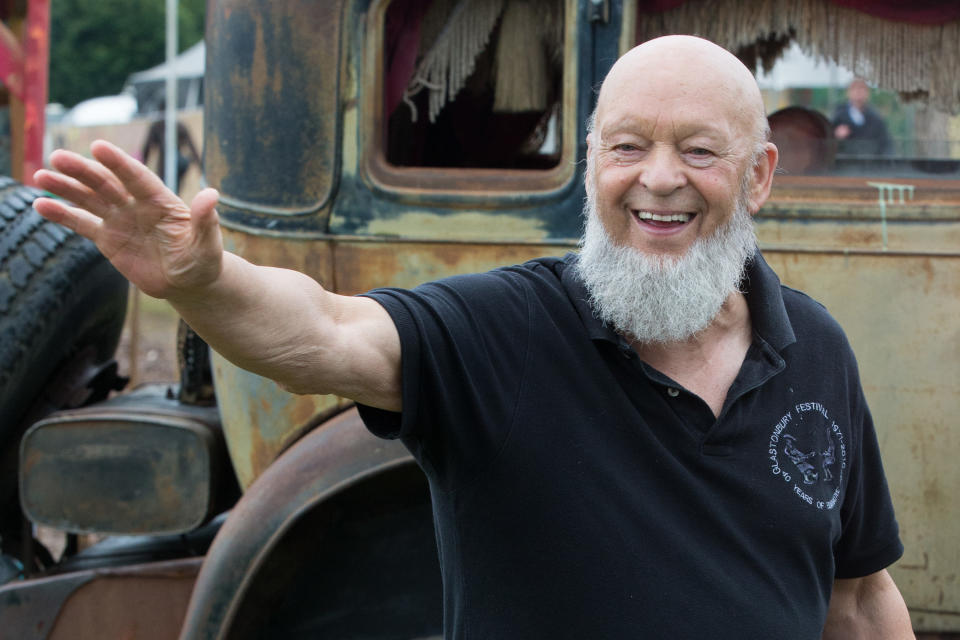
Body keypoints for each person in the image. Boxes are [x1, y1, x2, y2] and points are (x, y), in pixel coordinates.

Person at [33, 35, 912, 638]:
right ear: (592, 163)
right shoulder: (507, 333)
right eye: (627, 146)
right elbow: (325, 334)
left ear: (758, 176)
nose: (658, 180)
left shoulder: (817, 350)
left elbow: (861, 596)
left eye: (699, 151)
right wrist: (207, 283)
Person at [832, 78, 893, 157]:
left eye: (862, 89)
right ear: (848, 92)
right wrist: (836, 135)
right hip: (845, 162)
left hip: (870, 163)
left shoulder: (876, 118)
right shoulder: (839, 116)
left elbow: (886, 144)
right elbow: (826, 139)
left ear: (868, 93)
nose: (858, 92)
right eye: (855, 89)